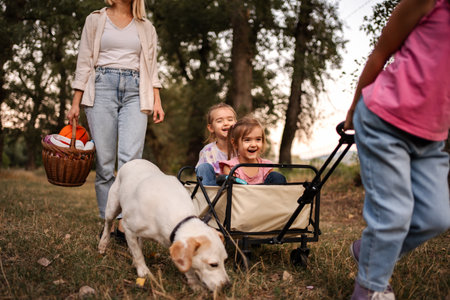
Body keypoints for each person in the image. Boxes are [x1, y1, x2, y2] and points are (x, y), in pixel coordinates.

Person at [344, 0, 450, 299]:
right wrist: (353, 109)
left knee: (436, 218)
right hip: (383, 119)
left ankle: (368, 250)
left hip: (430, 137)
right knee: (393, 216)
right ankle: (370, 288)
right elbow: (380, 53)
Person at [67, 0, 164, 241]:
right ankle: (107, 220)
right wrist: (75, 102)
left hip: (135, 90)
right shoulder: (96, 19)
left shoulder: (146, 26)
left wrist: (157, 100)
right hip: (101, 89)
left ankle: (125, 223)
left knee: (131, 162)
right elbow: (84, 61)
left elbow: (152, 67)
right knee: (105, 162)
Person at [219, 116, 287, 185]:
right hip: (241, 195)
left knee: (277, 177)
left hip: (265, 195)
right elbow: (232, 192)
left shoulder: (266, 167)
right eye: (247, 140)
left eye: (258, 139)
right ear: (235, 143)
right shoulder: (231, 167)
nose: (253, 145)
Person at [195, 103, 237, 185]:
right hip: (214, 191)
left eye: (230, 120)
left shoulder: (242, 148)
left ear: (236, 123)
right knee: (203, 167)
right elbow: (204, 174)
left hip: (238, 190)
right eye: (219, 121)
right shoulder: (207, 151)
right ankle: (207, 195)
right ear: (211, 128)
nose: (226, 123)